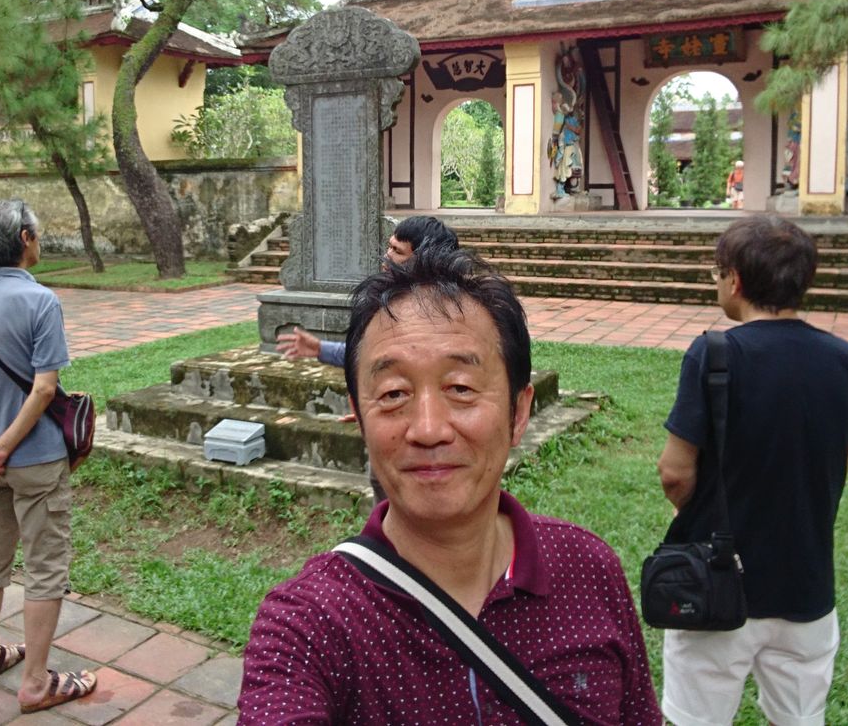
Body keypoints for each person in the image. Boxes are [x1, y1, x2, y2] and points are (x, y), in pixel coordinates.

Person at [239, 248, 661, 724]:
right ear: (358, 418)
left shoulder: (589, 571)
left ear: (519, 412)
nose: (428, 429)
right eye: (393, 393)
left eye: (461, 388)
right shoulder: (308, 625)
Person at [657, 216, 848, 726]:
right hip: (806, 584)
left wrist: (699, 511)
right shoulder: (847, 360)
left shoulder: (713, 354)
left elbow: (674, 472)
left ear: (734, 280)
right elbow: (840, 463)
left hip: (716, 578)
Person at [0, 200, 97, 714]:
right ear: (25, 239)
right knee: (45, 568)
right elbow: (45, 388)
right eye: (37, 233)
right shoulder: (41, 301)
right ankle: (35, 683)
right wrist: (4, 447)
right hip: (36, 460)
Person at [275, 215, 458, 365]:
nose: (387, 255)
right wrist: (321, 349)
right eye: (389, 246)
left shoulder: (445, 315)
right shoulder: (386, 299)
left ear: (426, 260)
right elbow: (371, 359)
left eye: (397, 251)